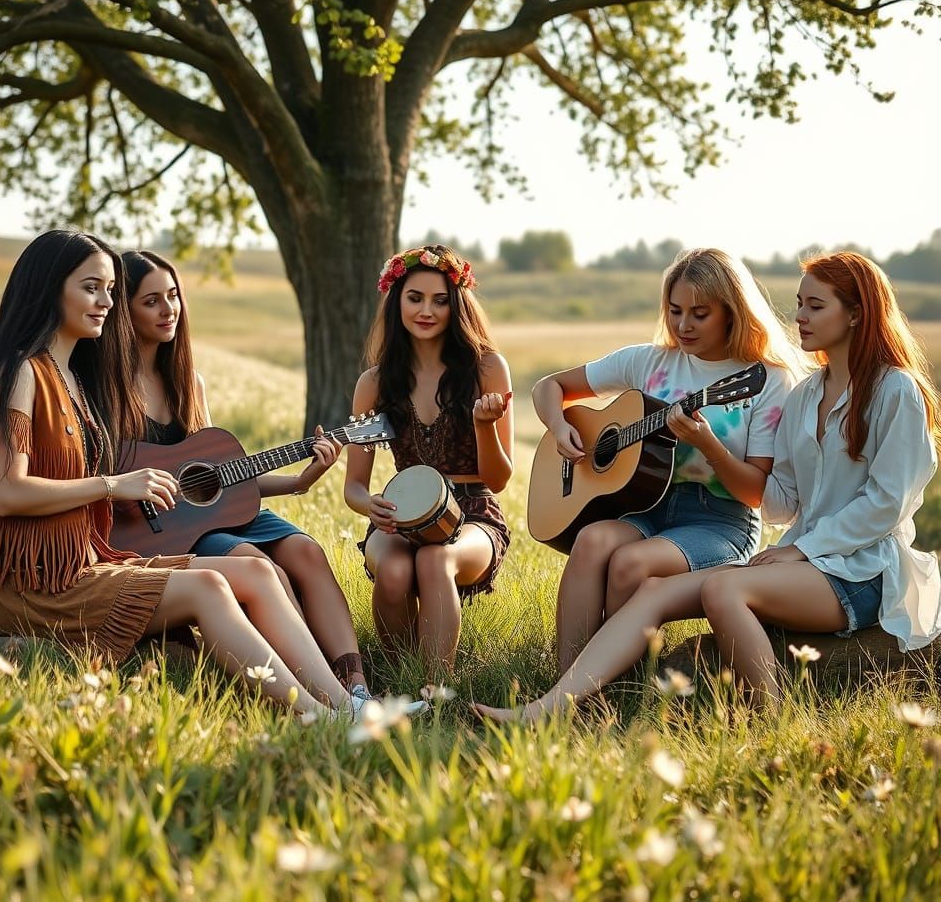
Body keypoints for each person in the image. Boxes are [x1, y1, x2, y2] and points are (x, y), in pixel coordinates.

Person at [474, 251, 941, 721]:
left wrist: (796, 546)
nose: (799, 315)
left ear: (857, 312)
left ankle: (772, 722)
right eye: (799, 303)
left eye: (815, 306)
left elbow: (887, 504)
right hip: (803, 556)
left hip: (862, 569)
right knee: (647, 587)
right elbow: (780, 502)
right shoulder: (806, 396)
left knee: (721, 589)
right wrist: (794, 544)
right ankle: (556, 705)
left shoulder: (894, 390)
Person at [0, 230, 370, 720]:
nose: (106, 302)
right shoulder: (18, 373)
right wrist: (114, 485)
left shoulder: (72, 379)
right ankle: (313, 714)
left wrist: (294, 481)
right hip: (26, 582)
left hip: (78, 562)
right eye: (91, 288)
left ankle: (347, 704)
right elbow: (5, 493)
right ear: (49, 289)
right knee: (209, 585)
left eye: (109, 289)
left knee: (253, 570)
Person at [122, 249, 391, 707]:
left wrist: (300, 482)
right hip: (172, 532)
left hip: (220, 515)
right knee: (257, 563)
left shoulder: (189, 381)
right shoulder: (111, 387)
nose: (168, 310)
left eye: (173, 296)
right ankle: (312, 692)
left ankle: (358, 688)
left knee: (306, 551)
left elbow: (216, 480)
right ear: (123, 311)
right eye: (151, 301)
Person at [533, 247, 809, 674]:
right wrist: (559, 425)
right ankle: (565, 681)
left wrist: (710, 445)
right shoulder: (648, 361)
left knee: (630, 563)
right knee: (591, 542)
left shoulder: (767, 379)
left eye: (700, 313)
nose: (683, 325)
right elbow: (549, 386)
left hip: (720, 521)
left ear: (732, 312)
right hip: (646, 507)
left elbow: (756, 493)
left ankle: (618, 685)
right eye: (675, 310)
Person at [344, 245, 513, 673]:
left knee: (436, 559)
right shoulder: (374, 383)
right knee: (396, 571)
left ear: (456, 305)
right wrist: (371, 506)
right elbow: (355, 487)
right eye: (415, 297)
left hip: (474, 511)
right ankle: (400, 680)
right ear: (396, 299)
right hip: (399, 514)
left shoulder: (487, 368)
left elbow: (499, 478)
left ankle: (434, 692)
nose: (427, 310)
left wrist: (484, 425)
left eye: (440, 300)